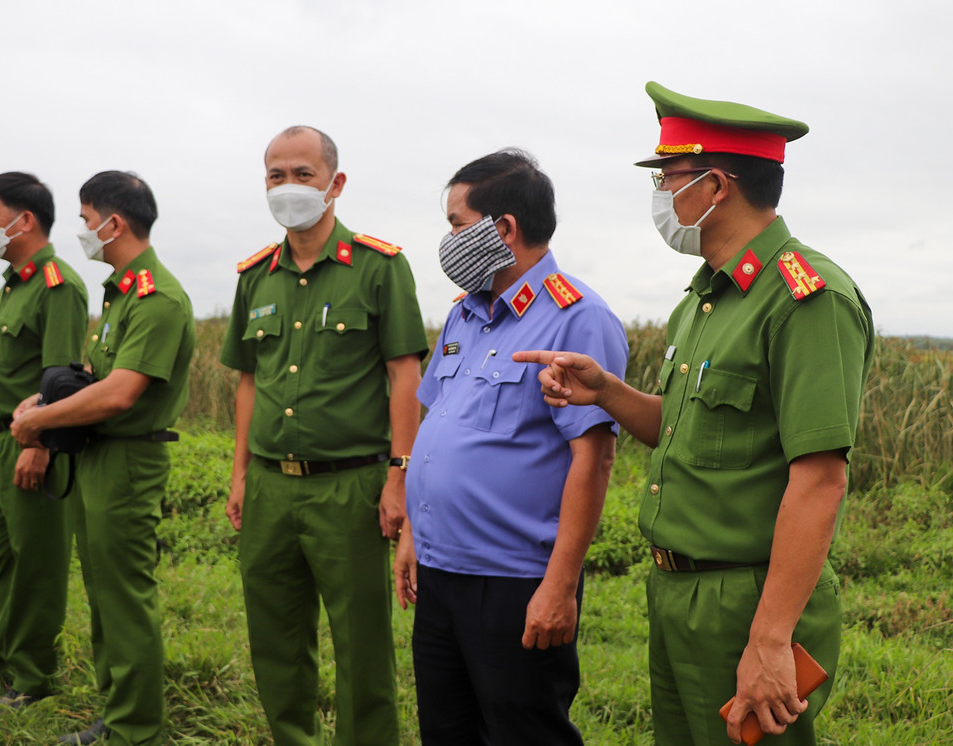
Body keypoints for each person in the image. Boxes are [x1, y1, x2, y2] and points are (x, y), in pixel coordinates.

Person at [515, 82, 875, 745]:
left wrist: (769, 639)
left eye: (668, 178)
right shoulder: (705, 298)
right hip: (676, 594)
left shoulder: (806, 298)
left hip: (747, 601)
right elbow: (687, 431)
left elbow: (820, 478)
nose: (660, 196)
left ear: (714, 186)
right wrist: (609, 392)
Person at [394, 149, 629, 745]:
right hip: (441, 573)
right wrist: (413, 534)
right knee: (447, 731)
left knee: (524, 733)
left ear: (503, 229)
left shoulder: (578, 318)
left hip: (514, 581)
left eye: (455, 223)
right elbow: (437, 428)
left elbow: (593, 458)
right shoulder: (464, 316)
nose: (447, 239)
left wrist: (559, 585)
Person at [220, 125, 427, 746]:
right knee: (275, 638)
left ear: (334, 184)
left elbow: (404, 375)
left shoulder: (378, 268)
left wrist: (399, 476)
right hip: (268, 487)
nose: (289, 187)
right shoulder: (255, 276)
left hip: (350, 488)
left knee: (361, 644)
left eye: (302, 174)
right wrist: (238, 476)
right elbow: (249, 382)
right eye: (275, 175)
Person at [11, 170, 195, 746]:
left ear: (114, 223)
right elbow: (94, 378)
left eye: (88, 220)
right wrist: (43, 399)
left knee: (124, 595)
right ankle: (117, 712)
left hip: (128, 461)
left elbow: (121, 393)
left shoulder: (157, 298)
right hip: (97, 458)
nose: (84, 230)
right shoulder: (121, 291)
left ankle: (137, 729)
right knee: (102, 591)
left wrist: (36, 423)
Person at [0, 171, 87, 709]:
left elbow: (58, 379)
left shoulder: (57, 286)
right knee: (1, 558)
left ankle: (31, 678)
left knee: (36, 563)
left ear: (24, 219)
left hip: (31, 442)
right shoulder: (16, 282)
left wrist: (39, 444)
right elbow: (10, 369)